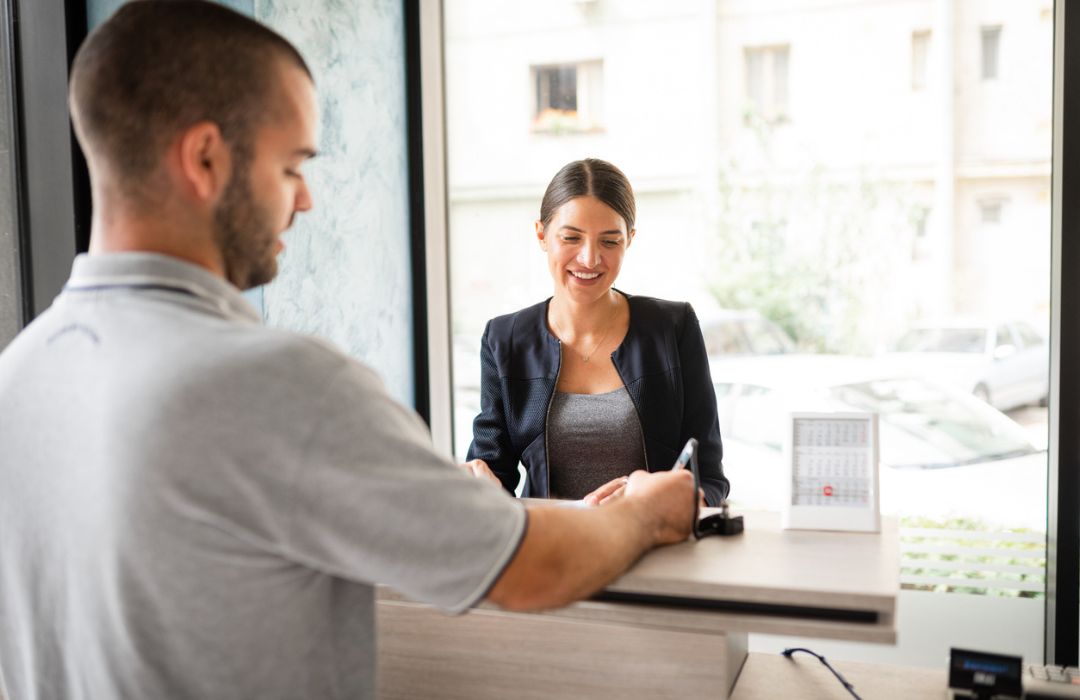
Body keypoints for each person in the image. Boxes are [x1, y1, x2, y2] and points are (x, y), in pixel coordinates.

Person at [0, 4, 696, 700]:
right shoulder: (275, 383)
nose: (303, 200)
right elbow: (525, 567)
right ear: (206, 157)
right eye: (291, 166)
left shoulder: (21, 374)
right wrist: (644, 512)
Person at [464, 158, 729, 506]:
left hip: (654, 549)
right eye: (571, 237)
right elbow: (491, 474)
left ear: (629, 240)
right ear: (542, 235)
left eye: (609, 241)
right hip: (551, 549)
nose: (589, 259)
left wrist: (666, 502)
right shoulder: (505, 340)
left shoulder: (672, 329)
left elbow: (709, 480)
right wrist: (478, 489)